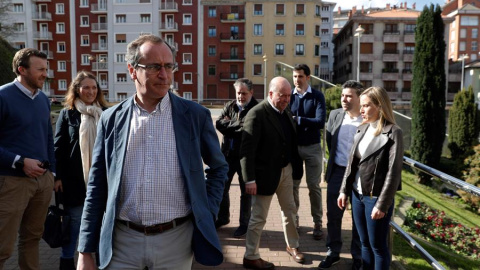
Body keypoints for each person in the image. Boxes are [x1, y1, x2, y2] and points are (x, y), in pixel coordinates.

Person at [76, 34, 228, 270]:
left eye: (169, 66)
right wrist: (85, 249)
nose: (164, 75)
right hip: (122, 243)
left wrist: (206, 211)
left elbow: (219, 167)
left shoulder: (195, 116)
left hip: (176, 242)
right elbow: (97, 185)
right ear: (132, 70)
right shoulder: (111, 119)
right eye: (155, 67)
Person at [0, 48, 56, 269]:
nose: (45, 74)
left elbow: (48, 138)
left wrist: (52, 174)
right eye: (40, 69)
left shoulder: (43, 100)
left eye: (46, 69)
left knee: (32, 239)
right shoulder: (3, 96)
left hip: (42, 183)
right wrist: (19, 161)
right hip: (11, 183)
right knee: (2, 246)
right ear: (22, 70)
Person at [241, 77, 304, 269]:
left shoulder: (286, 112)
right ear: (270, 94)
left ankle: (292, 246)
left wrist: (294, 169)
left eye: (288, 96)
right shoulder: (256, 114)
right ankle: (251, 256)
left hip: (285, 171)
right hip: (263, 176)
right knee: (259, 217)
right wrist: (249, 179)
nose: (286, 99)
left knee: (290, 211)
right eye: (282, 95)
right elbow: (246, 150)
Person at [337, 86, 404, 270]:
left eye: (366, 106)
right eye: (362, 105)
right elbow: (352, 164)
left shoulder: (393, 132)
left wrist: (382, 204)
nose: (361, 110)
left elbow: (394, 172)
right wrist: (344, 190)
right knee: (364, 243)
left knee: (378, 247)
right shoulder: (362, 128)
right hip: (357, 195)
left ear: (380, 106)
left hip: (375, 199)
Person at [53, 71, 108, 270]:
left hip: (103, 182)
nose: (91, 91)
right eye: (86, 87)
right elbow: (58, 147)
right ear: (77, 90)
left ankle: (103, 265)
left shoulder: (106, 113)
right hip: (74, 182)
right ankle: (67, 263)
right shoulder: (67, 114)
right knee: (74, 227)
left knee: (102, 228)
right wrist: (57, 177)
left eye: (94, 87)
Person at [319, 80, 364, 269]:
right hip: (338, 171)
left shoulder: (368, 118)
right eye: (342, 95)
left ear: (359, 98)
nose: (344, 99)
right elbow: (330, 140)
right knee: (333, 214)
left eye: (349, 96)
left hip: (360, 175)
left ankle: (358, 256)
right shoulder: (336, 115)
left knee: (358, 218)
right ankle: (333, 251)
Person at [215, 78, 258, 238]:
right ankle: (223, 217)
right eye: (238, 93)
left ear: (251, 92)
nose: (240, 96)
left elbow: (249, 130)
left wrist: (230, 124)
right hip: (227, 155)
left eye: (244, 93)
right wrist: (238, 124)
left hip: (245, 158)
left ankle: (244, 224)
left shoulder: (256, 108)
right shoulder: (230, 105)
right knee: (222, 187)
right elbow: (219, 124)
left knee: (245, 192)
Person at [289, 64, 326, 239]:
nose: (297, 80)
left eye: (300, 76)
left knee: (314, 186)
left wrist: (299, 120)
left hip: (312, 148)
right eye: (295, 76)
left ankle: (318, 222)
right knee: (293, 186)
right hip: (294, 148)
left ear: (308, 78)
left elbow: (320, 121)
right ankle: (294, 219)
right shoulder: (289, 96)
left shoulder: (317, 96)